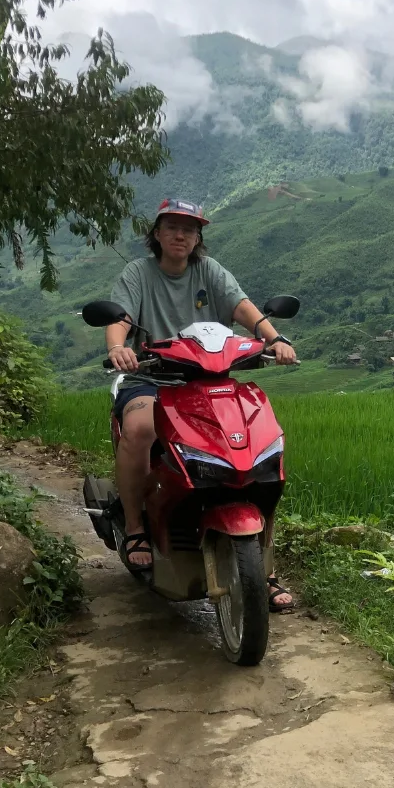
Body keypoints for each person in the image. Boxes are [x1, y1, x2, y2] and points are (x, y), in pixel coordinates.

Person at [105, 197, 297, 611]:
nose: (181, 235)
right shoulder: (138, 272)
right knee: (140, 429)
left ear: (198, 238)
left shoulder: (209, 271)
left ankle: (261, 567)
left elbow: (242, 306)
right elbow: (120, 316)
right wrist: (119, 347)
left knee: (255, 444)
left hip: (211, 379)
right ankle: (137, 527)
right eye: (172, 227)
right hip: (152, 379)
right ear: (157, 233)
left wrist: (275, 339)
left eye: (189, 229)